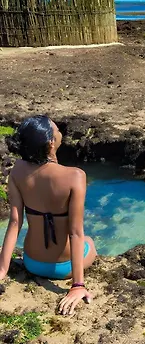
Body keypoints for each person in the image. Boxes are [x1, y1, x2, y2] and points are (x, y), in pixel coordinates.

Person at [0, 116, 97, 316]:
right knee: (89, 242)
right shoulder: (75, 176)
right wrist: (78, 285)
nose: (60, 132)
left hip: (31, 262)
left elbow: (15, 222)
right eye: (57, 129)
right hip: (64, 269)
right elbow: (76, 233)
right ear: (51, 143)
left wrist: (2, 270)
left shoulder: (17, 170)